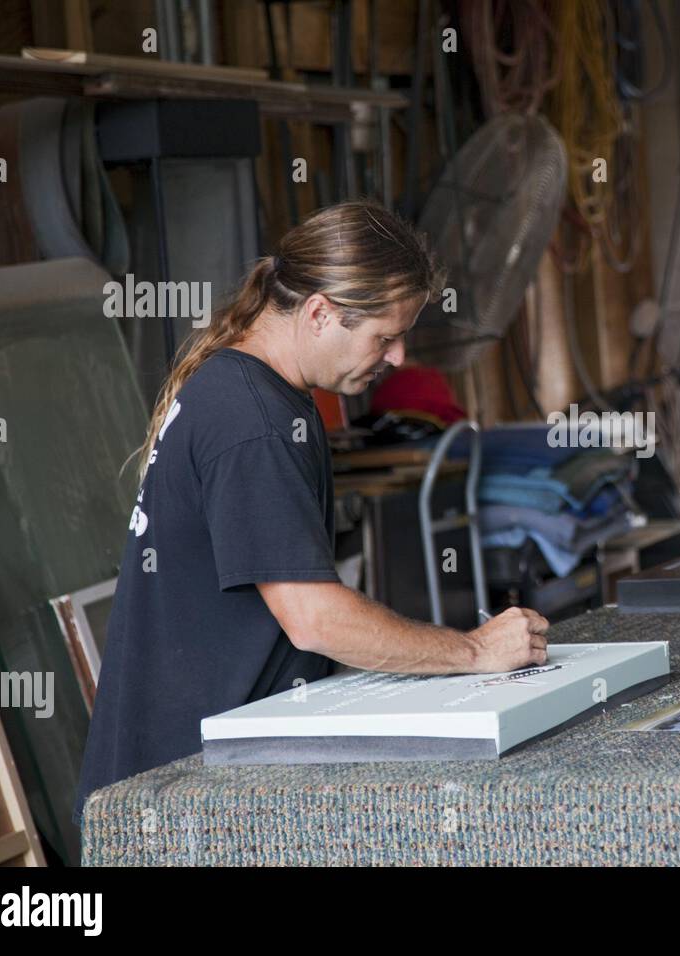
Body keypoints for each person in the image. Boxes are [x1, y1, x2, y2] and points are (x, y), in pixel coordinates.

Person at [74, 201, 548, 827]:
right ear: (321, 313)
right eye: (385, 335)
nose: (400, 357)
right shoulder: (253, 421)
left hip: (210, 773)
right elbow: (314, 619)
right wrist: (472, 652)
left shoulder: (264, 396)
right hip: (171, 798)